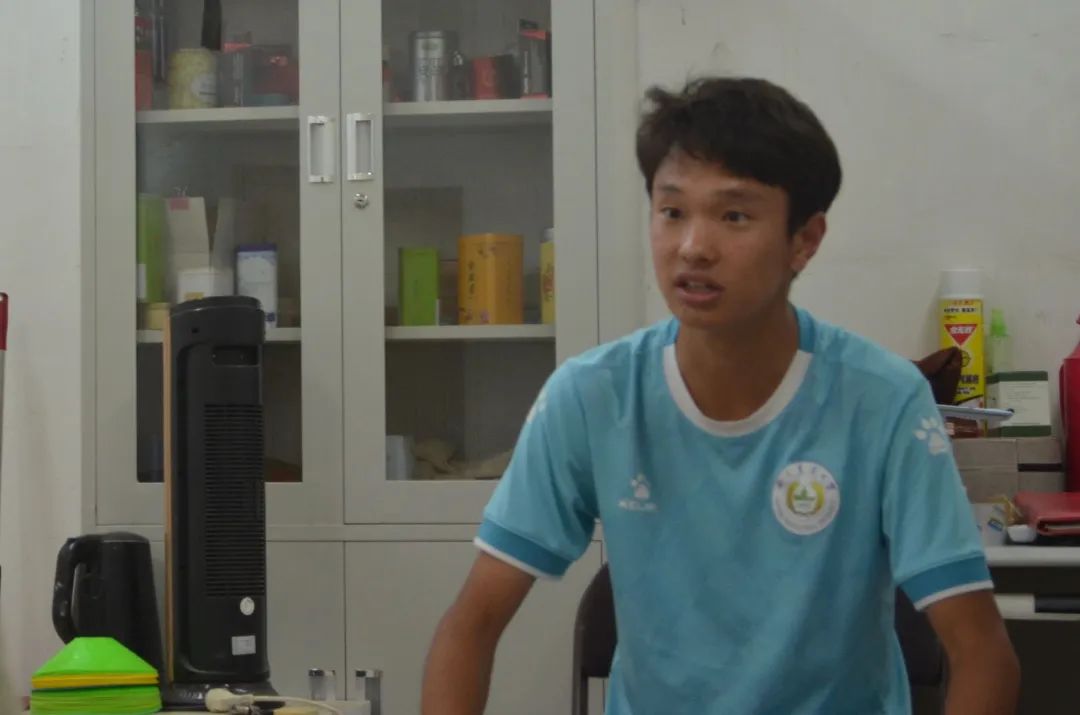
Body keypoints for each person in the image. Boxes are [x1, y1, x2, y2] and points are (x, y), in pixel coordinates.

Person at [420, 77, 1019, 714]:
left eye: (734, 216)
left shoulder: (883, 401)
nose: (693, 248)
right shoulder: (594, 395)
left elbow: (982, 655)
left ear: (805, 240)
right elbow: (472, 624)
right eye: (672, 211)